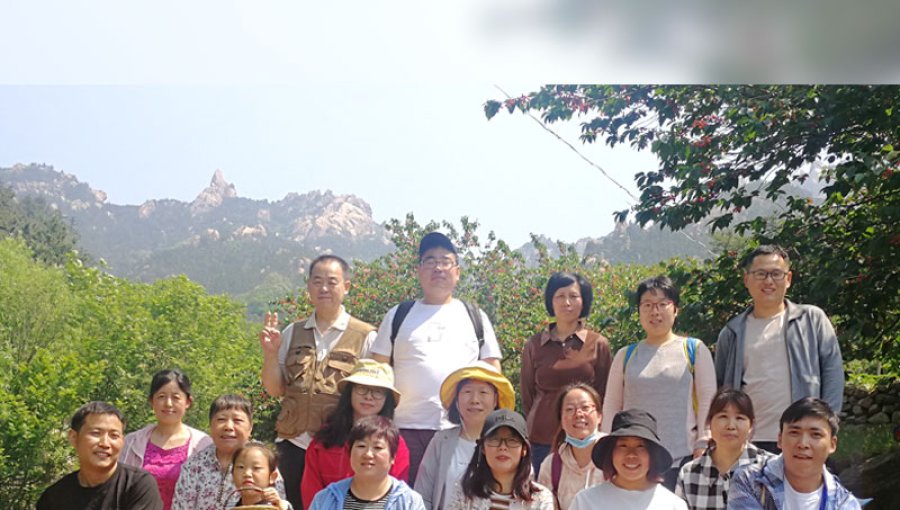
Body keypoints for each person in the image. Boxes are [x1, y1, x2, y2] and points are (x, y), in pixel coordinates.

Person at [371, 232, 502, 483]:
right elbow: (377, 371)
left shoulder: (474, 316)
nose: (438, 268)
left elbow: (492, 373)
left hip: (461, 430)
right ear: (419, 270)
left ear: (457, 272)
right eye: (430, 261)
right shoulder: (399, 314)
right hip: (404, 429)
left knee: (460, 498)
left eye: (445, 261)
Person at [260, 254, 378, 508]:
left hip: (338, 447)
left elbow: (373, 398)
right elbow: (274, 389)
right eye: (317, 281)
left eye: (332, 281)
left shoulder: (366, 336)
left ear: (346, 287)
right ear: (308, 287)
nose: (324, 288)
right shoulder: (293, 331)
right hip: (292, 445)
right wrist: (270, 354)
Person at [715, 245, 845, 454]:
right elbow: (721, 386)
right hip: (747, 440)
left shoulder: (811, 320)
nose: (768, 281)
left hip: (802, 437)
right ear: (746, 279)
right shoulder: (732, 332)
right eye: (760, 274)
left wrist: (826, 425)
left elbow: (833, 373)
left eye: (776, 274)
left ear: (788, 279)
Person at [602, 275, 716, 490]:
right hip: (633, 461)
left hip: (683, 458)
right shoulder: (625, 355)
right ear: (639, 312)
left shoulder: (694, 349)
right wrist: (608, 448)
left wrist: (703, 441)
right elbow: (611, 406)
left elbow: (707, 400)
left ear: (675, 309)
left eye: (663, 304)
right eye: (647, 305)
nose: (655, 312)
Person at [520, 272, 612, 472]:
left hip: (584, 438)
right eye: (560, 296)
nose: (566, 302)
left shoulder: (597, 344)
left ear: (583, 301)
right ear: (551, 301)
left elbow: (604, 394)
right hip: (540, 440)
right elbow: (527, 396)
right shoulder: (535, 345)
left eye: (573, 296)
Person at [302, 359, 410, 509]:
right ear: (350, 392)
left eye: (378, 392)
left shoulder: (396, 444)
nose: (368, 396)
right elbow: (311, 492)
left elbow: (396, 494)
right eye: (362, 388)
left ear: (387, 399)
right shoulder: (324, 439)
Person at [415, 361, 516, 510]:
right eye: (467, 392)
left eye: (483, 392)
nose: (475, 400)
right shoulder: (441, 441)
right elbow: (422, 495)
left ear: (495, 400)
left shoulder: (510, 445)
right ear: (456, 401)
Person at [728, 398, 861, 510]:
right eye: (794, 433)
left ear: (832, 444)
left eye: (815, 435)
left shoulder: (844, 503)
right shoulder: (750, 481)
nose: (803, 444)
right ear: (779, 439)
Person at [37, 401, 163, 510]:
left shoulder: (138, 485)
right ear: (74, 437)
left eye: (114, 436)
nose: (105, 443)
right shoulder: (55, 496)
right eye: (96, 433)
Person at [171, 394, 287, 510]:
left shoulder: (264, 461)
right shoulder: (194, 467)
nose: (228, 427)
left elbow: (279, 504)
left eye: (237, 420)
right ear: (210, 425)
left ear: (250, 427)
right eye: (221, 419)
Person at [121, 369, 213, 510]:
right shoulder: (132, 442)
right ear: (152, 401)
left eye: (176, 397)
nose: (168, 403)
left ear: (187, 402)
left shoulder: (203, 444)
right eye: (161, 396)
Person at [675, 388, 774, 510]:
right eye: (723, 416)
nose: (731, 426)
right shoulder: (689, 473)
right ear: (709, 422)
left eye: (739, 418)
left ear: (751, 425)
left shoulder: (770, 468)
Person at [570, 409, 687, 510]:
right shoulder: (585, 502)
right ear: (611, 453)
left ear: (653, 455)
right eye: (623, 446)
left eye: (640, 446)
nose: (631, 455)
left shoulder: (673, 505)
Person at [308, 416, 426, 510]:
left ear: (393, 457)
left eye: (378, 447)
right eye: (361, 446)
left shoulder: (409, 502)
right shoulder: (326, 498)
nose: (368, 454)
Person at [447, 409, 554, 510]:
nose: (503, 447)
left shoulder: (541, 499)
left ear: (524, 449)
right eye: (495, 439)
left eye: (512, 440)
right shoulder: (464, 491)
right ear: (483, 448)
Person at [536, 383, 605, 510]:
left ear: (599, 416)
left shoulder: (615, 457)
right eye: (569, 409)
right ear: (561, 421)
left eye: (585, 407)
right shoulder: (551, 466)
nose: (578, 414)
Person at [231, 441, 291, 510]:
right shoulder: (233, 507)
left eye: (256, 468)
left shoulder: (280, 506)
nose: (247, 473)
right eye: (241, 467)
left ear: (272, 476)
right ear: (232, 475)